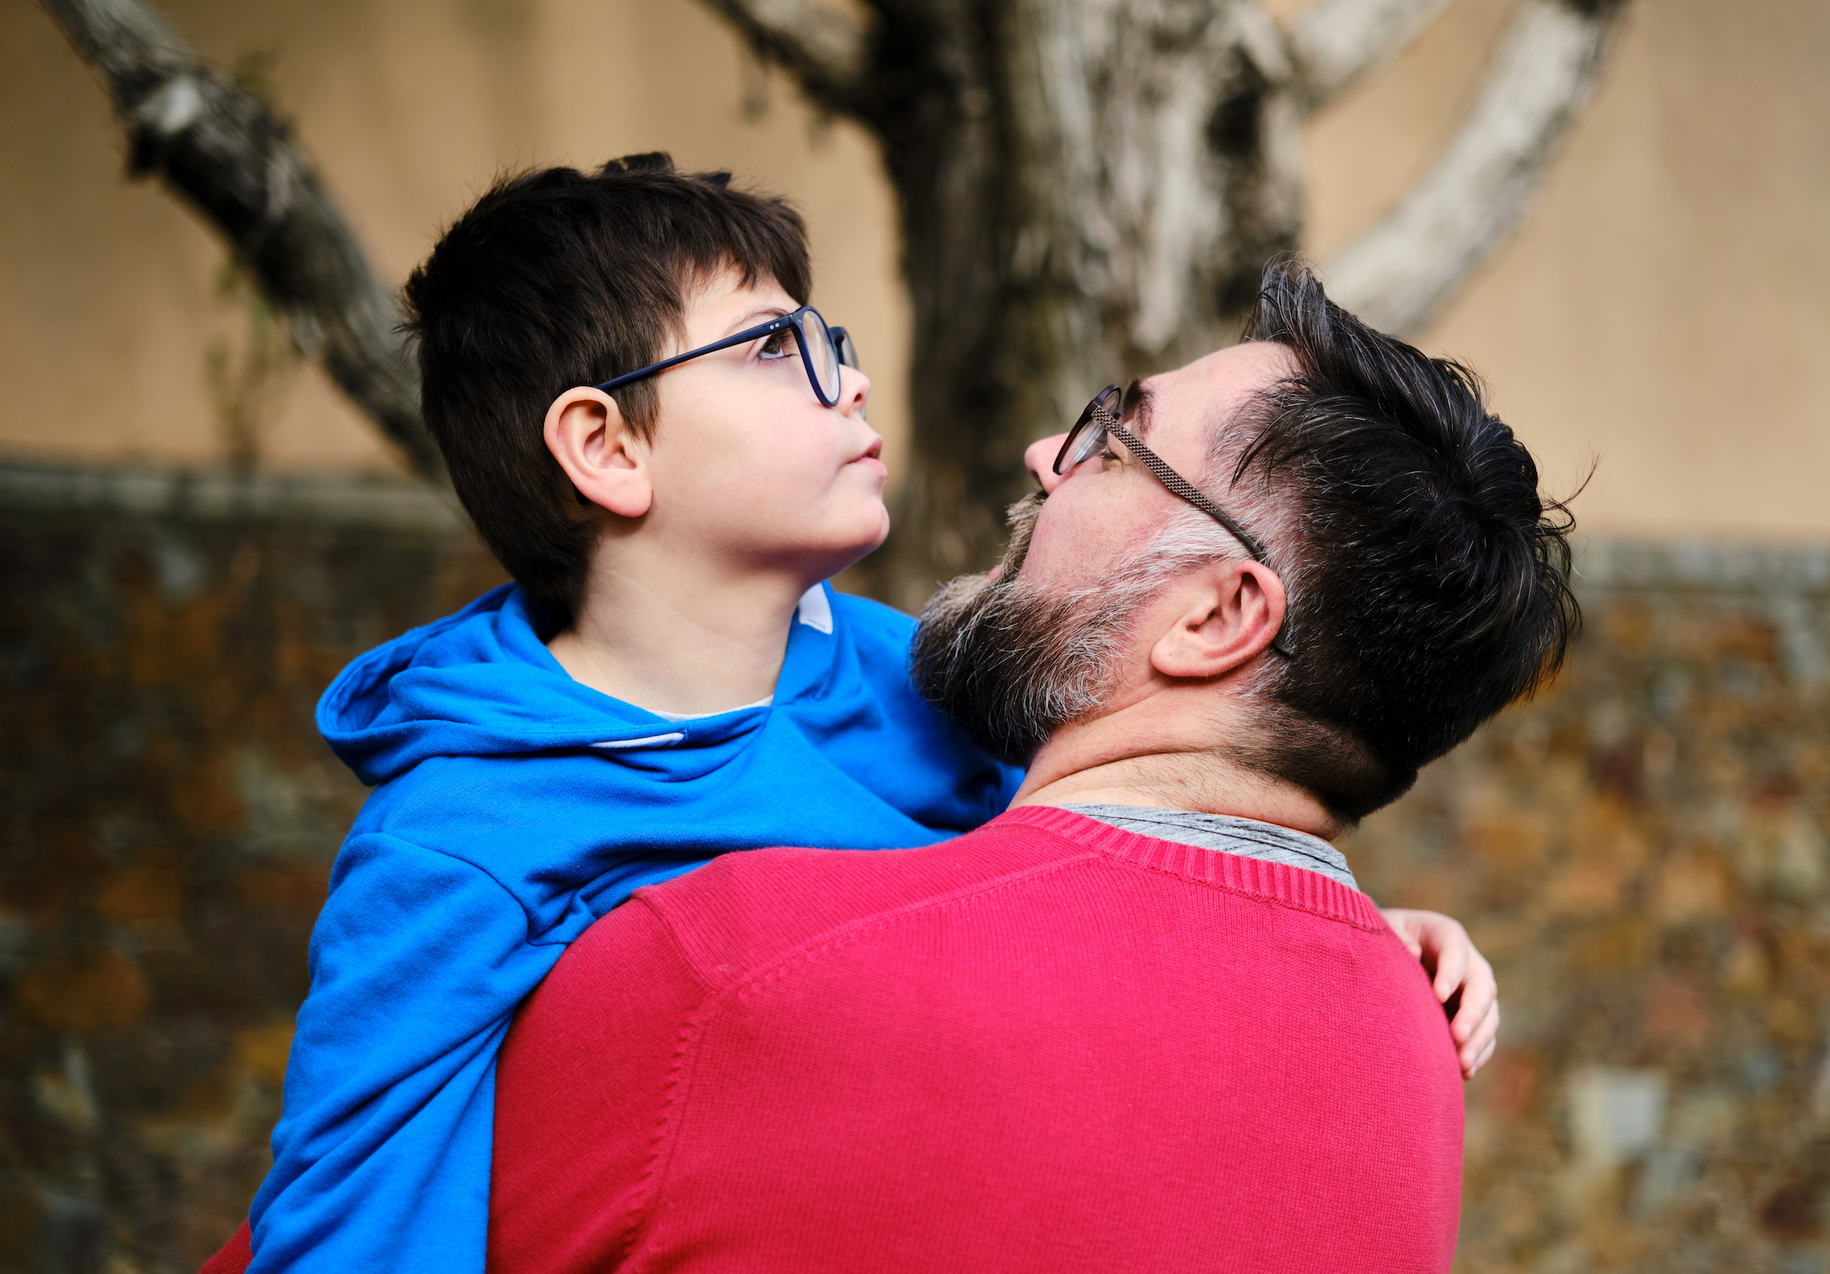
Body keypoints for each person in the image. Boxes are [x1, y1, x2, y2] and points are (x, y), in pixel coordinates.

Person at [210, 161, 1491, 1274]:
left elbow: (1132, 847)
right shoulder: (459, 842)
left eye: (827, 337)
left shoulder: (914, 679)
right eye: (774, 348)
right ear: (605, 447)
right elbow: (352, 1217)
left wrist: (1353, 930)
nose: (854, 378)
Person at [487, 259, 1572, 1273]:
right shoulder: (1416, 1049)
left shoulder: (719, 977)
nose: (1046, 453)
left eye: (1113, 440)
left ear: (1218, 614)